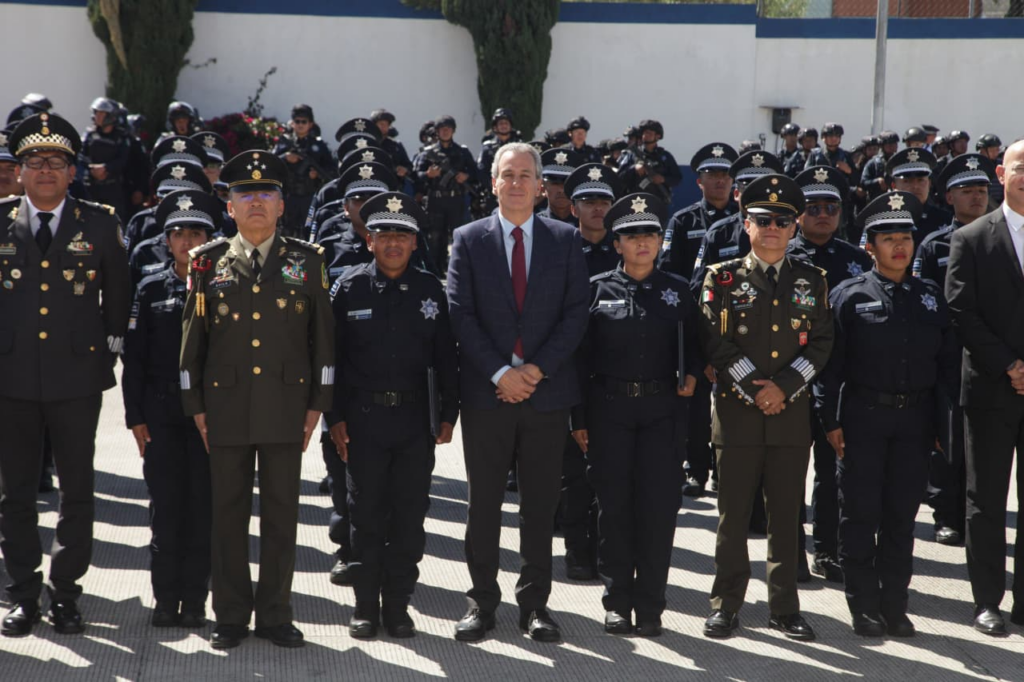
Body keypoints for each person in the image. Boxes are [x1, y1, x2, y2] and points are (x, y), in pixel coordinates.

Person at [179, 150, 334, 650]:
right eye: (245, 194)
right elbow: (192, 342)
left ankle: (274, 614)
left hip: (287, 406)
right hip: (224, 407)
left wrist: (318, 404)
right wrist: (195, 405)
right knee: (227, 514)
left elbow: (323, 341)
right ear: (230, 206)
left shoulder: (308, 261)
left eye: (266, 193)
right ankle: (229, 615)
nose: (256, 202)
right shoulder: (207, 262)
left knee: (282, 515)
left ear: (282, 204)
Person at [447, 142, 589, 643]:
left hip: (546, 394)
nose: (516, 183)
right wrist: (499, 374)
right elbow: (460, 313)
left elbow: (576, 313)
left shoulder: (565, 239)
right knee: (483, 504)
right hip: (487, 395)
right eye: (507, 175)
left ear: (541, 185)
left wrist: (534, 371)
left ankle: (535, 606)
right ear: (493, 183)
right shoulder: (468, 239)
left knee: (540, 506)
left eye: (525, 175)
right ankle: (481, 603)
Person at [0, 112, 131, 637]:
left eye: (56, 161)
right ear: (19, 171)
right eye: (34, 161)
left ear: (72, 172)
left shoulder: (98, 223)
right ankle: (22, 594)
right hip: (9, 379)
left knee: (77, 491)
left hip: (76, 378)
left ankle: (67, 594)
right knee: (15, 494)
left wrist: (104, 356)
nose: (45, 169)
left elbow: (118, 299)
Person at [699, 173, 833, 642]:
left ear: (795, 227)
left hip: (790, 417)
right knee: (732, 518)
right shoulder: (722, 278)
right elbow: (714, 342)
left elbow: (821, 343)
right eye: (763, 220)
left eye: (782, 221)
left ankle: (784, 608)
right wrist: (756, 390)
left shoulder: (812, 280)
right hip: (737, 416)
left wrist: (784, 387)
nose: (772, 228)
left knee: (786, 518)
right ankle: (725, 605)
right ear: (746, 224)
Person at [819, 190, 958, 637]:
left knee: (901, 518)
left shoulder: (930, 297)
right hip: (863, 419)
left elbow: (946, 368)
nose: (900, 246)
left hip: (915, 422)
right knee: (860, 516)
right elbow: (829, 369)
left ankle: (895, 605)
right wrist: (830, 422)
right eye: (888, 238)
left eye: (906, 237)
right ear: (869, 246)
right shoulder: (849, 296)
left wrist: (941, 425)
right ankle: (863, 606)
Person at [326, 191, 459, 638]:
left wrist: (449, 413)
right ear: (369, 240)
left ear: (415, 242)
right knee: (364, 517)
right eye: (384, 234)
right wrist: (334, 417)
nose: (393, 243)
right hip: (362, 422)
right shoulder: (348, 288)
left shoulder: (430, 290)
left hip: (415, 423)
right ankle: (365, 607)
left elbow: (447, 357)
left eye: (402, 235)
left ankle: (398, 607)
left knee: (408, 518)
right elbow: (331, 360)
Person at [571, 192, 701, 636]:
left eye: (650, 234)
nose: (642, 242)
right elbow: (579, 361)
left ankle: (650, 607)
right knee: (614, 509)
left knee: (658, 510)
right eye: (632, 235)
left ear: (661, 241)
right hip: (609, 411)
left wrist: (693, 375)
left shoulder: (678, 291)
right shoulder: (596, 290)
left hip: (663, 411)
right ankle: (616, 602)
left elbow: (698, 347)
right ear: (617, 243)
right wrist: (578, 419)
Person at [122, 189, 221, 628]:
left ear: (210, 239)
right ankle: (165, 600)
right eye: (179, 233)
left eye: (196, 232)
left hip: (209, 418)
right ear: (166, 241)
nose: (187, 241)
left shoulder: (225, 285)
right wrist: (135, 417)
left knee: (202, 511)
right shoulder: (149, 287)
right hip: (161, 415)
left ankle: (195, 601)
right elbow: (135, 359)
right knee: (165, 510)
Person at [945, 139, 1024, 636]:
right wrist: (1010, 365)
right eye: (1021, 167)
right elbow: (960, 309)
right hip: (992, 389)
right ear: (1002, 173)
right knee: (986, 501)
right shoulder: (971, 238)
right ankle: (986, 601)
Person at [788, 166, 873, 583]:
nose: (823, 214)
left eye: (831, 207)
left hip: (838, 380)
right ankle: (790, 551)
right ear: (798, 214)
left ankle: (826, 550)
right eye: (813, 207)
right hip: (790, 378)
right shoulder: (783, 256)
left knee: (830, 470)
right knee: (787, 471)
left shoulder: (857, 260)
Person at [915, 153, 997, 547]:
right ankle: (946, 515)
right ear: (949, 197)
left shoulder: (1003, 239)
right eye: (967, 190)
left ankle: (978, 516)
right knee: (948, 440)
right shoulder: (934, 246)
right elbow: (922, 299)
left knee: (986, 441)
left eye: (981, 189)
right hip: (949, 353)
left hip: (992, 354)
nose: (976, 196)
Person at [414, 115, 476, 274]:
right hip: (436, 200)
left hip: (456, 199)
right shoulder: (428, 153)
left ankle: (459, 270)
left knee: (459, 235)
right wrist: (428, 175)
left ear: (453, 131)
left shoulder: (462, 152)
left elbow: (476, 172)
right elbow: (416, 176)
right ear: (437, 132)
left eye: (448, 128)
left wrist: (466, 176)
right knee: (435, 237)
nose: (445, 131)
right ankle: (434, 271)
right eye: (442, 129)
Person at [273, 104, 333, 237]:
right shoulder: (284, 142)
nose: (300, 125)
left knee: (308, 230)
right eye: (297, 121)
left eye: (304, 122)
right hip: (288, 195)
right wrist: (285, 157)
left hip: (309, 195)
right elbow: (270, 162)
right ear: (292, 123)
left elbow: (330, 169)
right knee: (286, 231)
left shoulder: (318, 145)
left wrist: (316, 175)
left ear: (310, 124)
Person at [81, 97, 131, 221]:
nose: (97, 117)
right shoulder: (89, 135)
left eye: (101, 114)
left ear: (110, 116)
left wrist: (106, 168)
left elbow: (123, 160)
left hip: (113, 189)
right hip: (91, 187)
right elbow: (81, 155)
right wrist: (91, 168)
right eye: (96, 113)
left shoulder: (121, 137)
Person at [616, 120, 682, 202]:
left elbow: (677, 178)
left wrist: (663, 179)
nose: (645, 135)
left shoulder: (665, 156)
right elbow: (619, 178)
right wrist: (634, 168)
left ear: (657, 136)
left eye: (649, 133)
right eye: (644, 133)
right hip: (635, 201)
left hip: (658, 201)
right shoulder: (631, 154)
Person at [537, 148, 582, 226]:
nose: (561, 190)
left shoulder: (586, 225)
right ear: (543, 187)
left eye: (566, 184)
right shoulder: (534, 224)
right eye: (555, 183)